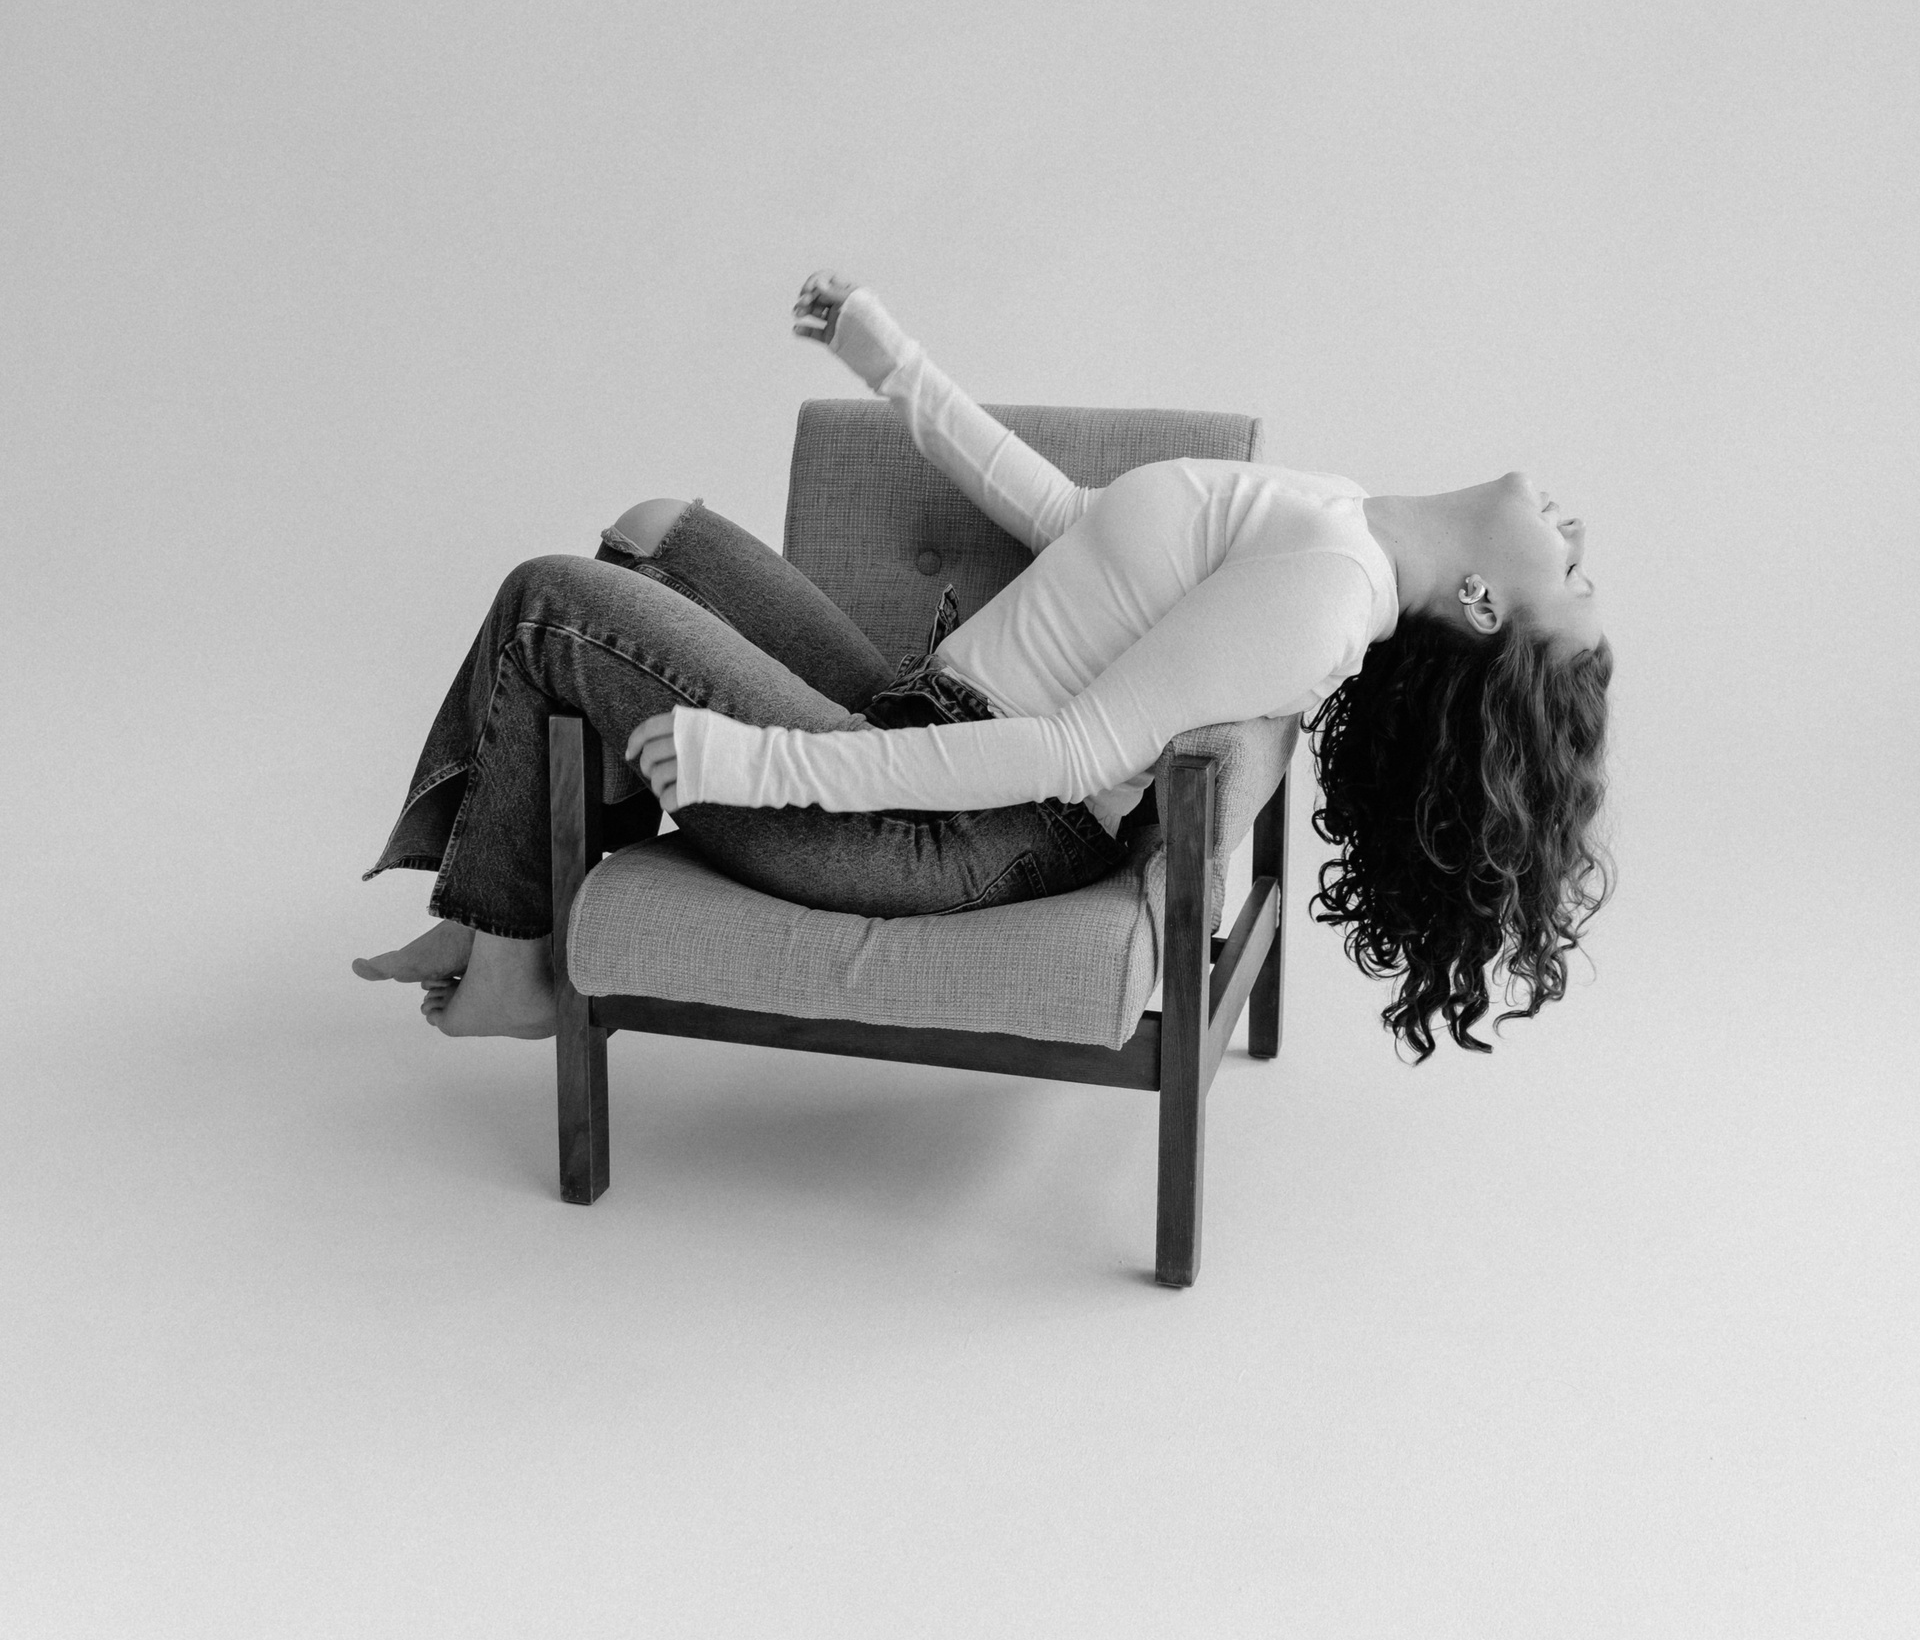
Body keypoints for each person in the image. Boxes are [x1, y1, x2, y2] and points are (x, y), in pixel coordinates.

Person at [356, 269, 1612, 1058]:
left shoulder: (1331, 593)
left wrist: (761, 763)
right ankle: (504, 904)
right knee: (651, 532)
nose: (1574, 540)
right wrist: (891, 364)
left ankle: (510, 949)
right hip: (919, 719)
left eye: (1572, 580)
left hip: (946, 832)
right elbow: (1074, 522)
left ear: (1483, 606)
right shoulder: (1339, 516)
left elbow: (1068, 755)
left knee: (554, 606)